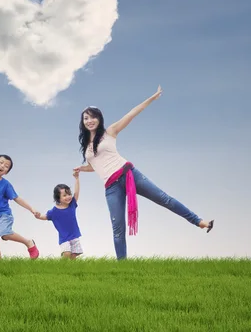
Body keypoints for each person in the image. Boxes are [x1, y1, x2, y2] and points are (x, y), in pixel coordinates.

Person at [73, 85, 214, 260]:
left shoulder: (110, 132)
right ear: (83, 122)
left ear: (99, 119)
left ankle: (199, 221)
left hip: (128, 175)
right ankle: (122, 267)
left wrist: (152, 99)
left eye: (93, 117)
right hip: (111, 188)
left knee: (164, 199)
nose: (90, 121)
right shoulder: (87, 147)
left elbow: (132, 113)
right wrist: (82, 169)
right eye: (86, 118)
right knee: (118, 228)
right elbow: (95, 165)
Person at [34, 169, 83, 259]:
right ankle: (61, 267)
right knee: (67, 253)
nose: (68, 197)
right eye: (64, 195)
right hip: (64, 237)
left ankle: (72, 271)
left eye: (69, 194)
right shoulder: (54, 211)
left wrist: (76, 178)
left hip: (74, 235)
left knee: (73, 255)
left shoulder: (72, 205)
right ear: (58, 198)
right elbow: (45, 216)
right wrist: (38, 216)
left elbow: (77, 192)